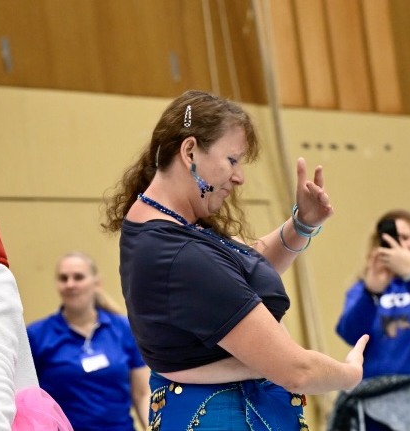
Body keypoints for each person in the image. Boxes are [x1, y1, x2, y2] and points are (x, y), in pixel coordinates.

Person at [104, 89, 367, 430]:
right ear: (190, 152)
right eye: (232, 160)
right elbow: (297, 371)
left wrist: (302, 223)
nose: (239, 176)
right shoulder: (181, 255)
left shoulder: (169, 226)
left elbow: (244, 268)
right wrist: (350, 374)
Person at [330, 211, 410, 431]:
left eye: (406, 237)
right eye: (390, 237)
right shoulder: (363, 287)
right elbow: (349, 333)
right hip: (373, 401)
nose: (398, 243)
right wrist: (371, 292)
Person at [27, 252, 149, 431]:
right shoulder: (37, 335)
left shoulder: (123, 329)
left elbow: (142, 394)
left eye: (78, 277)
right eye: (63, 278)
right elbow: (29, 401)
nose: (70, 284)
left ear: (96, 283)